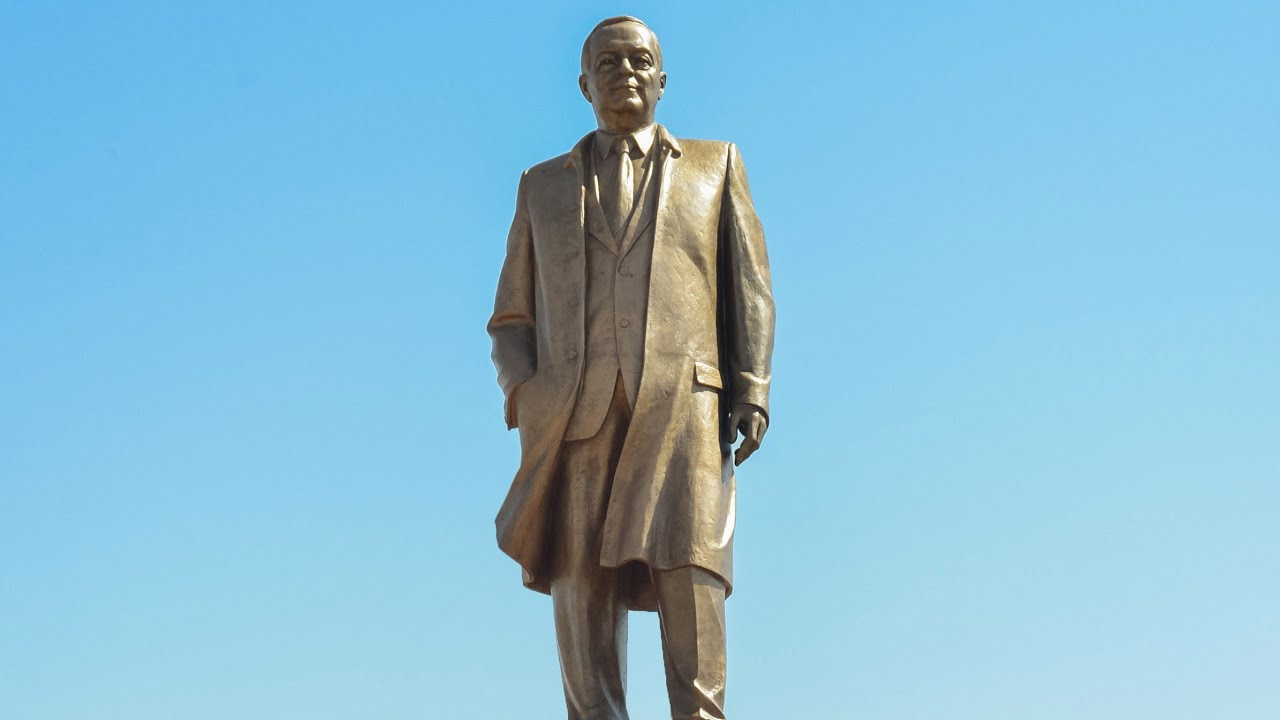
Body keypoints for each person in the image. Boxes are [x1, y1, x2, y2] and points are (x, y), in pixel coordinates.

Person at [487, 15, 775, 719]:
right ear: (584, 84)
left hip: (684, 416)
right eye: (608, 62)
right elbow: (512, 318)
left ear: (663, 79)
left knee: (693, 591)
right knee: (581, 607)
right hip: (575, 422)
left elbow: (750, 286)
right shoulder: (541, 186)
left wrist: (752, 387)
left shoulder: (715, 165)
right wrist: (527, 394)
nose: (625, 72)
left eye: (640, 60)